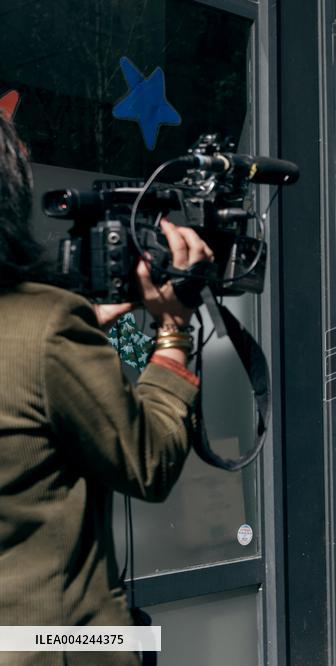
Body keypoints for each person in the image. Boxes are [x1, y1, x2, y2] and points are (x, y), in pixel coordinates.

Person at [0, 114, 210, 663]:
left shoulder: (45, 330)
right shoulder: (44, 325)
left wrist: (70, 333)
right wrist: (173, 330)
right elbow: (150, 463)